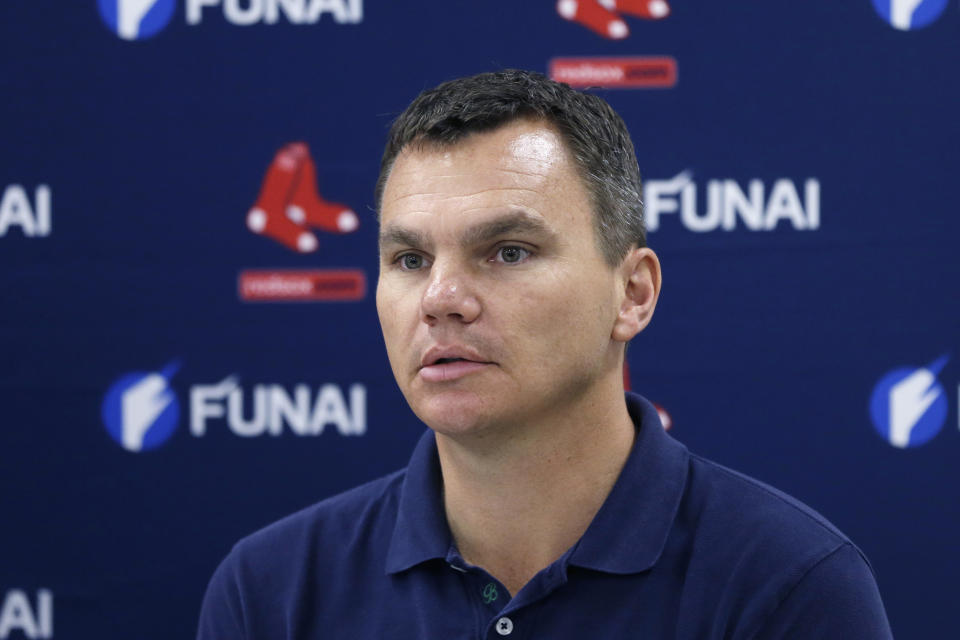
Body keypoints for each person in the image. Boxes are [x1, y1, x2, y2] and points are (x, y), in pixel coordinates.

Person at [197, 69, 893, 639]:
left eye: (507, 252)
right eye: (409, 258)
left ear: (633, 293)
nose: (441, 297)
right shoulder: (271, 592)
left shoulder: (790, 586)